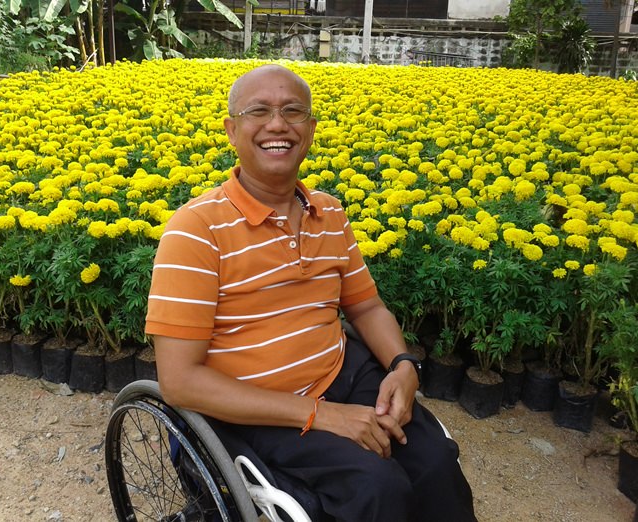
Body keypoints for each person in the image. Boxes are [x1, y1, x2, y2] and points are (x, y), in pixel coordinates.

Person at [145, 64, 477, 521]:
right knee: (377, 489)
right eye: (259, 111)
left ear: (311, 129)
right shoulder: (196, 230)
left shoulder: (329, 212)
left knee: (437, 464)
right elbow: (179, 381)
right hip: (257, 409)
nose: (278, 124)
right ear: (231, 130)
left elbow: (367, 306)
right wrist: (320, 415)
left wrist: (404, 366)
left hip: (342, 374)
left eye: (293, 111)